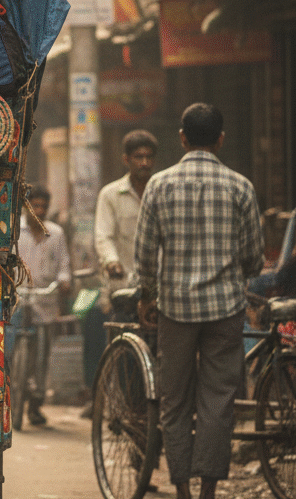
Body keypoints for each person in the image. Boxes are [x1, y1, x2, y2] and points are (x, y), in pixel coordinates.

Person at [135, 103, 264, 499]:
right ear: (221, 139)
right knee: (218, 400)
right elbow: (253, 258)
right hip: (225, 311)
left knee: (175, 401)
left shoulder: (159, 185)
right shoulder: (241, 186)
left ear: (182, 138)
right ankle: (208, 489)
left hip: (174, 309)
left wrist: (149, 296)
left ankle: (183, 489)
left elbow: (144, 254)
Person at [81, 129, 158, 417]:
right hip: (124, 290)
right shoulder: (111, 194)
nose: (144, 163)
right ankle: (130, 411)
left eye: (149, 157)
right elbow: (104, 236)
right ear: (127, 159)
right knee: (127, 357)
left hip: (158, 289)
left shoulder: (160, 189)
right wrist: (111, 262)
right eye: (138, 157)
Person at [11, 185, 72, 427]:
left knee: (43, 355)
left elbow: (64, 266)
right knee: (9, 350)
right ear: (26, 207)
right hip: (16, 300)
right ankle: (12, 394)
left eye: (43, 207)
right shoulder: (15, 231)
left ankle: (35, 404)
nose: (39, 210)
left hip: (44, 302)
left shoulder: (56, 234)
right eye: (35, 206)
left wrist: (65, 282)